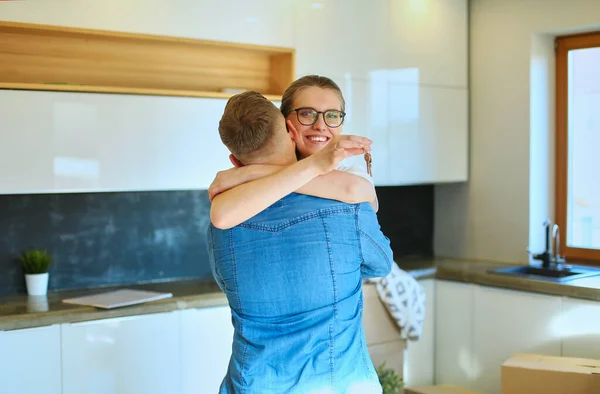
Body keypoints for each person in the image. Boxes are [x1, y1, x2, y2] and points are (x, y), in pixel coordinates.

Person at [206, 90, 393, 393]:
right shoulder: (348, 207)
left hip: (253, 384)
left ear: (234, 160)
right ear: (292, 131)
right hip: (338, 382)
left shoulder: (223, 221)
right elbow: (380, 263)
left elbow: (227, 281)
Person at [208, 75, 378, 229]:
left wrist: (250, 173)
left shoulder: (351, 174)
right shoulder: (251, 185)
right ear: (285, 123)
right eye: (307, 114)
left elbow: (364, 195)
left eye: (332, 115)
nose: (320, 125)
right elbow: (222, 217)